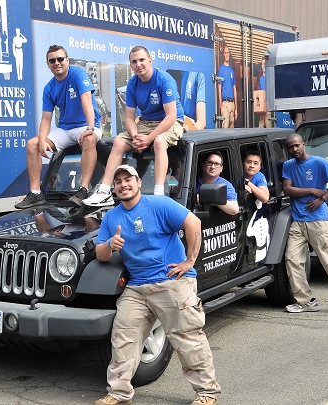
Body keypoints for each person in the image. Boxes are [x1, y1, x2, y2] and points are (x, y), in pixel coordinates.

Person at [94, 165, 221, 405]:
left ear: (139, 182)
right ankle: (119, 394)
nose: (123, 185)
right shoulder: (111, 217)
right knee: (123, 338)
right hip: (137, 287)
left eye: (128, 179)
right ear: (114, 188)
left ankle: (206, 393)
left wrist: (189, 261)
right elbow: (101, 254)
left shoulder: (159, 204)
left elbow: (193, 223)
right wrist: (111, 243)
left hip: (171, 281)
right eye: (118, 181)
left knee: (187, 338)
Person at [83, 46, 185, 206]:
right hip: (145, 122)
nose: (139, 64)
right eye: (134, 61)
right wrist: (136, 136)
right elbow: (130, 119)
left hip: (171, 121)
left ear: (150, 60)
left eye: (142, 60)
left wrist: (149, 138)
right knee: (118, 142)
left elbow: (171, 116)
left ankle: (158, 193)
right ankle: (104, 191)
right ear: (130, 65)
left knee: (158, 142)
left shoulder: (164, 80)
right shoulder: (132, 84)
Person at [15, 45, 102, 209]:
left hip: (86, 125)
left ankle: (83, 190)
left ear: (67, 60)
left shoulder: (78, 73)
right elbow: (46, 119)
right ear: (48, 64)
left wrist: (90, 128)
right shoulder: (49, 88)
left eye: (60, 59)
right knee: (32, 144)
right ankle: (35, 194)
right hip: (65, 129)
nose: (57, 63)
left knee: (89, 139)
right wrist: (42, 140)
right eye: (52, 60)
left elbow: (86, 101)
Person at [282, 134, 328, 316]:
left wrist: (323, 199)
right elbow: (287, 189)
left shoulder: (319, 162)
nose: (294, 149)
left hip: (319, 221)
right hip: (298, 221)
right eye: (290, 147)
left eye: (297, 145)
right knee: (293, 260)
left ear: (303, 144)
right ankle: (305, 301)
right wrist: (312, 190)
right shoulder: (288, 166)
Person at [217, 45, 237, 128]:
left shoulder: (231, 70)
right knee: (225, 128)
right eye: (225, 53)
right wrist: (221, 105)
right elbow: (219, 88)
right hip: (225, 104)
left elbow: (234, 89)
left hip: (232, 104)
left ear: (229, 54)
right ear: (223, 54)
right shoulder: (221, 69)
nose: (226, 54)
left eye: (228, 53)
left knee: (232, 129)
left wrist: (236, 108)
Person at [257, 59, 271, 128]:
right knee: (261, 127)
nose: (264, 66)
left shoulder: (270, 78)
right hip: (262, 108)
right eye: (262, 64)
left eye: (265, 64)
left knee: (268, 125)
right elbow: (259, 93)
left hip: (268, 106)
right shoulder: (261, 79)